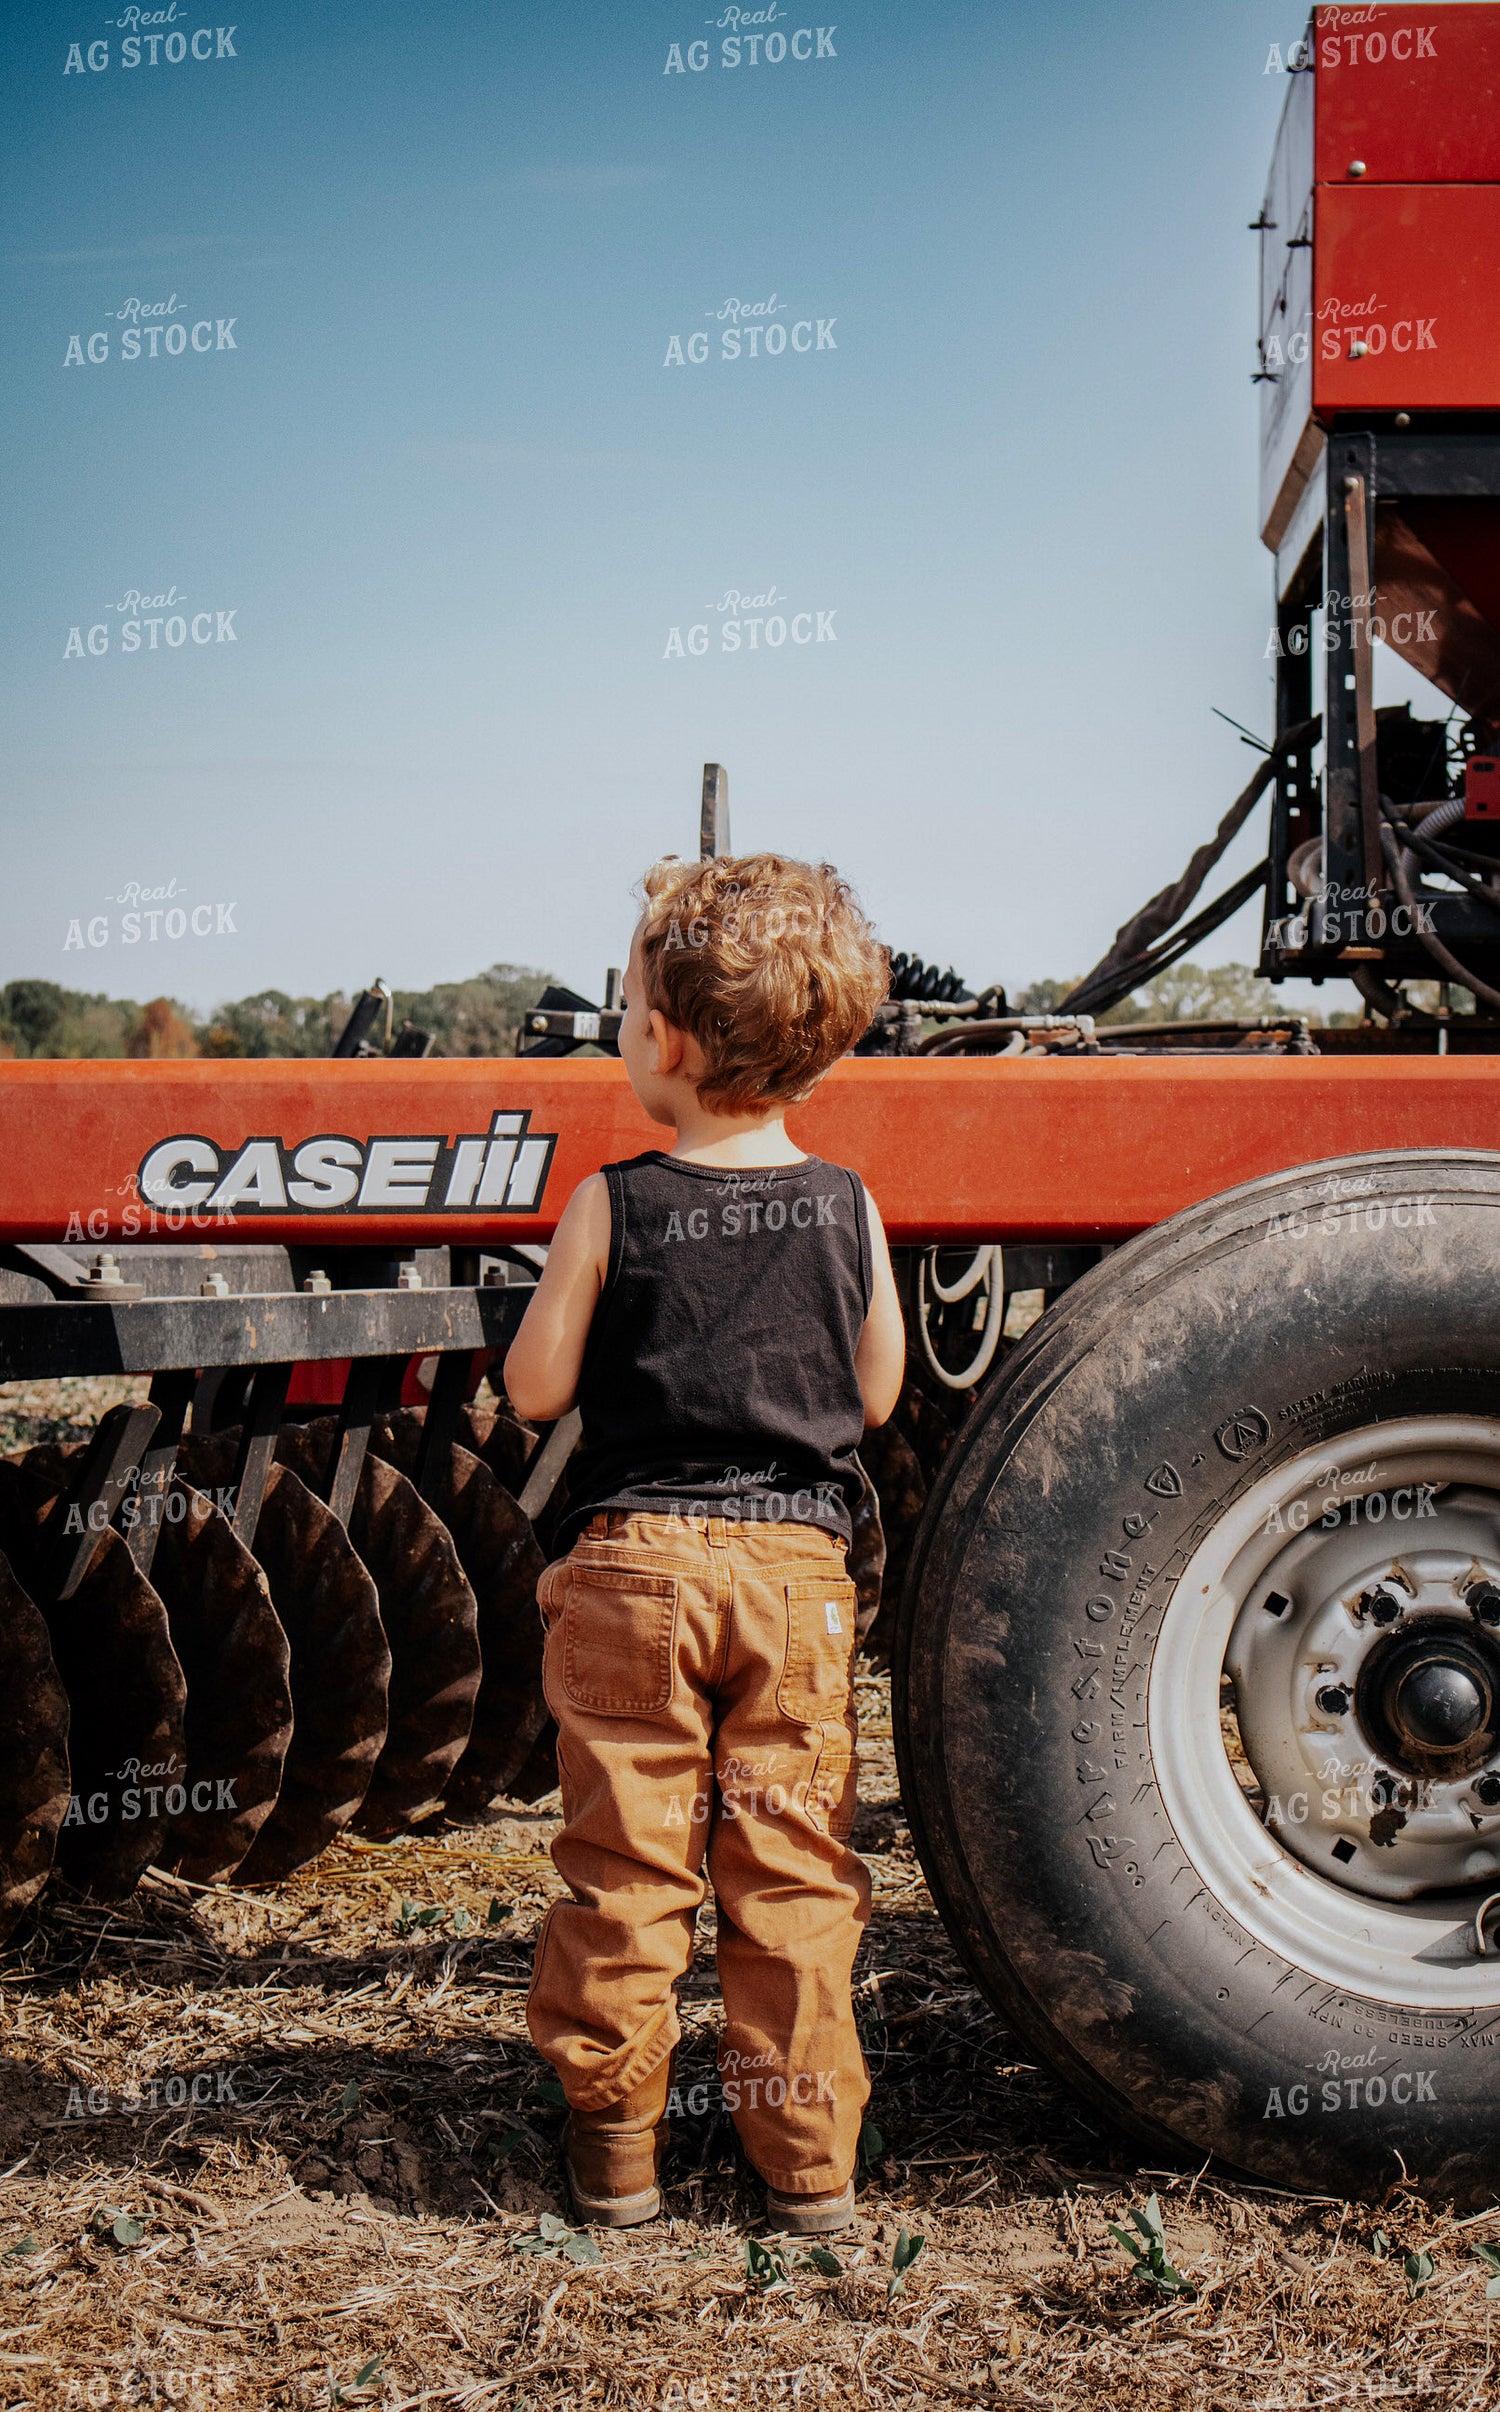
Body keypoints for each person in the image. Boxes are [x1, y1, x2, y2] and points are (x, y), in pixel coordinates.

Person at [504, 852, 906, 2236]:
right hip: (796, 1578)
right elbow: (875, 1393)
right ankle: (809, 2173)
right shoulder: (849, 1204)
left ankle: (618, 2157)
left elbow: (535, 1389)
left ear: (666, 1040)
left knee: (628, 1867)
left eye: (623, 1012)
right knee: (792, 1868)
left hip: (634, 1578)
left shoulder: (613, 1201)